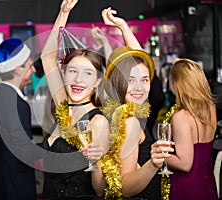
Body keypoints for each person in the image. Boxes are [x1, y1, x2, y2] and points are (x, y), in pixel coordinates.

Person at [40, 0, 110, 198]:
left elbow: (101, 190)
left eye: (87, 74)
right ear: (64, 75)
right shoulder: (62, 103)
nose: (78, 79)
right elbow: (47, 57)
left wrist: (96, 163)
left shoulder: (98, 122)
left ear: (97, 81)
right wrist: (63, 13)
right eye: (73, 71)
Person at [100, 7, 169, 199]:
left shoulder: (123, 111)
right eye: (131, 80)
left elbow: (142, 62)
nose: (139, 87)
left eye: (144, 80)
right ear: (119, 82)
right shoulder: (129, 122)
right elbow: (124, 187)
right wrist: (153, 163)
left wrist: (122, 27)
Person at [0, 37, 37, 200]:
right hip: (14, 187)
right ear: (18, 69)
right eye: (30, 65)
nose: (34, 70)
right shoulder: (18, 105)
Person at [152, 59, 218, 200]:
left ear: (176, 83)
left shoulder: (181, 116)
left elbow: (185, 164)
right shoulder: (210, 107)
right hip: (208, 185)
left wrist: (156, 155)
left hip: (186, 188)